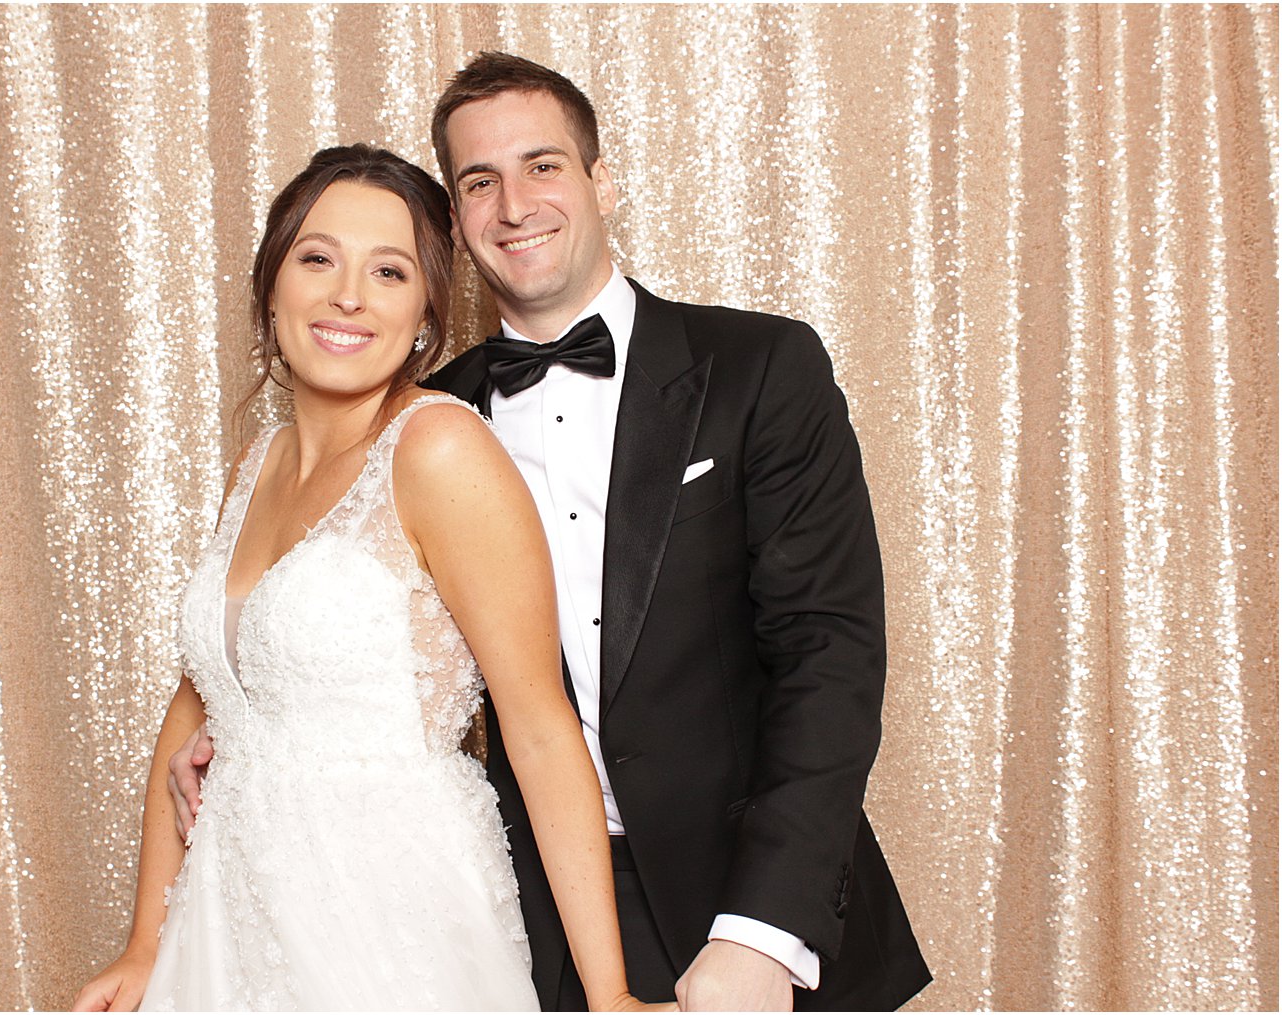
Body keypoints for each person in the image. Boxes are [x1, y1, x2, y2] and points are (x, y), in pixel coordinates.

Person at [174, 55, 932, 1011]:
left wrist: (762, 933)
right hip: (531, 914)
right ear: (455, 220)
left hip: (744, 894)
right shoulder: (415, 424)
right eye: (478, 182)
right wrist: (240, 725)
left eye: (543, 166)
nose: (514, 203)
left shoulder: (759, 367)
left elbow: (833, 656)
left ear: (601, 180)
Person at [72, 144, 662, 1012]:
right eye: (318, 259)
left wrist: (608, 995)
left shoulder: (440, 448)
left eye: (388, 271)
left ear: (426, 311)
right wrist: (143, 944)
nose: (348, 294)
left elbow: (539, 726)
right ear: (272, 285)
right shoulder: (255, 464)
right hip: (229, 922)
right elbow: (199, 702)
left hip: (391, 920)